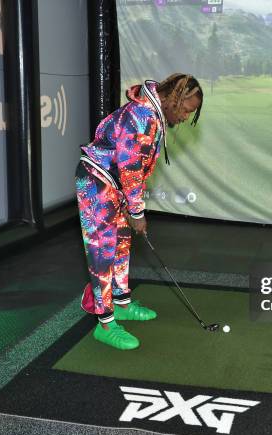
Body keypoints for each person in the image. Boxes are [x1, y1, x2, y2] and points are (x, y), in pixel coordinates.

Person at [75, 73, 203, 350]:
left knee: (121, 245)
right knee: (102, 252)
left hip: (114, 185)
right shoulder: (142, 117)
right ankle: (105, 324)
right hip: (97, 183)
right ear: (175, 100)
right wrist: (137, 213)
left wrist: (132, 209)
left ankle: (121, 304)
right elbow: (130, 169)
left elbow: (132, 172)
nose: (183, 118)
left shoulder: (151, 114)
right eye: (185, 110)